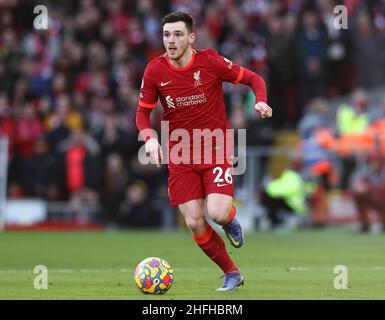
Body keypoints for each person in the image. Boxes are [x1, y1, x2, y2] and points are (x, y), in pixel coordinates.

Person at [135, 12, 272, 291]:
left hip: (215, 148)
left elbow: (254, 79)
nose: (170, 41)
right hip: (180, 155)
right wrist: (149, 138)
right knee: (195, 221)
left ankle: (230, 220)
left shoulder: (210, 61)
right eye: (166, 35)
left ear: (191, 37)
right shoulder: (154, 71)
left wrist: (261, 102)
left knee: (218, 213)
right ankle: (232, 273)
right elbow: (142, 114)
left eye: (177, 35)